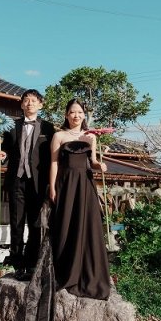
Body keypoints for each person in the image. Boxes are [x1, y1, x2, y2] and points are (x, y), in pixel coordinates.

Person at [48, 99, 111, 300]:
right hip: (66, 186)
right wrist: (52, 187)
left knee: (88, 226)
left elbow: (91, 162)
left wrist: (99, 166)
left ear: (84, 115)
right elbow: (54, 163)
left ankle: (88, 273)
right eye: (72, 112)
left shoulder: (91, 137)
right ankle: (66, 272)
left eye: (79, 112)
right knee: (66, 225)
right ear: (66, 115)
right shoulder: (59, 135)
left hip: (85, 185)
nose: (76, 115)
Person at [0, 89, 55, 276]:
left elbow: (53, 156)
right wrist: (3, 154)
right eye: (26, 100)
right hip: (16, 181)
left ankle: (31, 262)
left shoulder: (48, 128)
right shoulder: (10, 126)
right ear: (22, 104)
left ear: (40, 104)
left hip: (38, 183)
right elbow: (6, 149)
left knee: (35, 224)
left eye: (33, 100)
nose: (29, 103)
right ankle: (16, 262)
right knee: (16, 222)